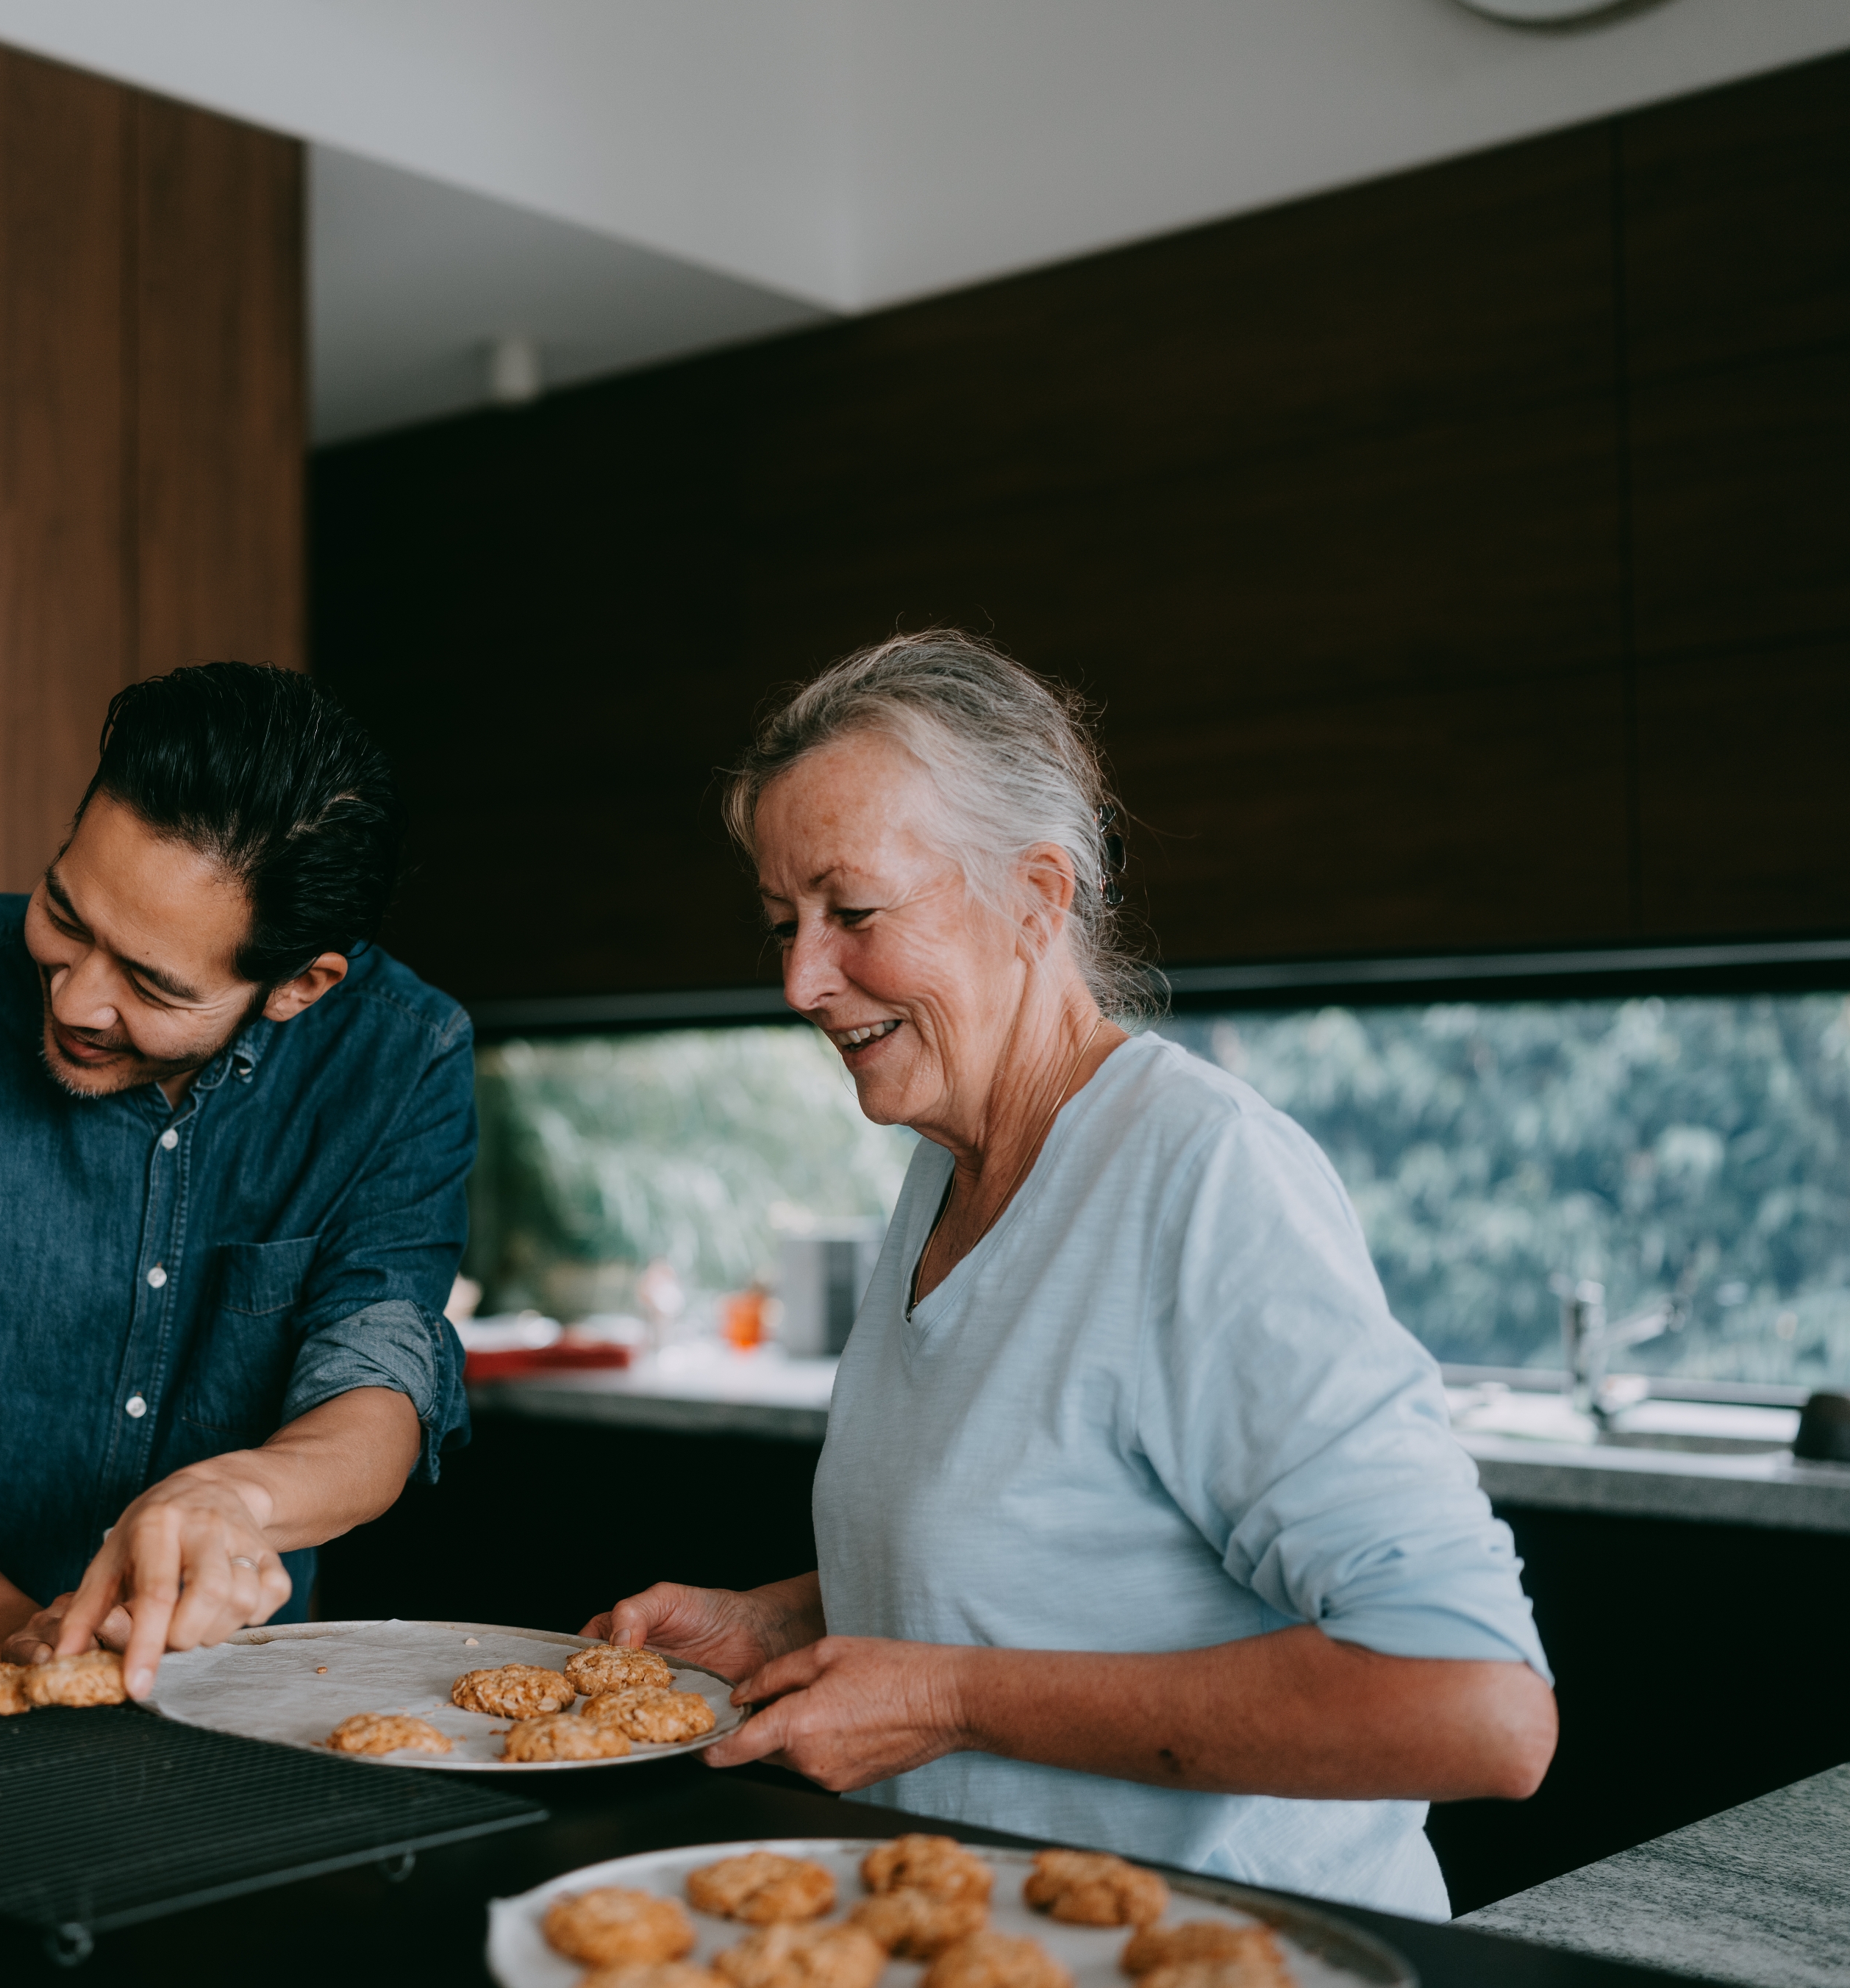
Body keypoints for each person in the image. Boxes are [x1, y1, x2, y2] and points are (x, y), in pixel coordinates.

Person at [587, 632, 1556, 1917]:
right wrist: (784, 1628)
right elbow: (1074, 1533)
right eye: (783, 922)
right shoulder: (948, 1166)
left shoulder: (1203, 1176)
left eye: (853, 913)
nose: (802, 980)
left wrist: (944, 1696)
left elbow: (1473, 1705)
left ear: (1038, 897)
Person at [0, 663, 473, 1698]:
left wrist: (235, 1497)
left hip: (228, 1688)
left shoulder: (402, 1057)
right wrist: (3, 1629)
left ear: (300, 985)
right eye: (65, 916)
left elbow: (376, 1383)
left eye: (154, 984)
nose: (76, 999)